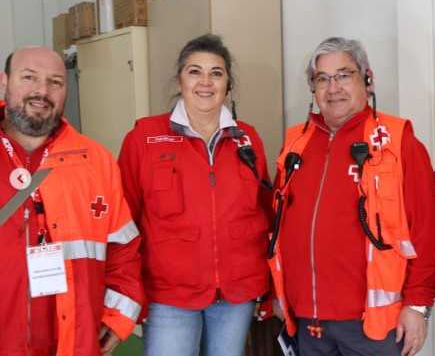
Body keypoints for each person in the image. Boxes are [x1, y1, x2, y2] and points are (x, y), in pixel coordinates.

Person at [268, 37, 435, 356]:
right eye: (322, 79)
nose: (333, 88)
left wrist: (418, 305)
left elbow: (427, 229)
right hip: (307, 321)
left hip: (374, 326)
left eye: (343, 75)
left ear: (367, 79)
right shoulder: (295, 143)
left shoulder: (397, 141)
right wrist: (278, 295)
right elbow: (277, 227)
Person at [118, 34, 272, 356]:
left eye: (216, 73)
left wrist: (268, 287)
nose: (205, 82)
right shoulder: (144, 138)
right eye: (194, 72)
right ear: (180, 81)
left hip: (235, 293)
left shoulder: (247, 139)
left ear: (227, 84)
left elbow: (266, 214)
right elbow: (124, 221)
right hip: (169, 295)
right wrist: (128, 289)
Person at [0, 46, 143, 356]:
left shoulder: (96, 161)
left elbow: (123, 249)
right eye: (28, 77)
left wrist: (117, 317)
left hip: (72, 343)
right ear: (4, 82)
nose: (42, 91)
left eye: (55, 82)